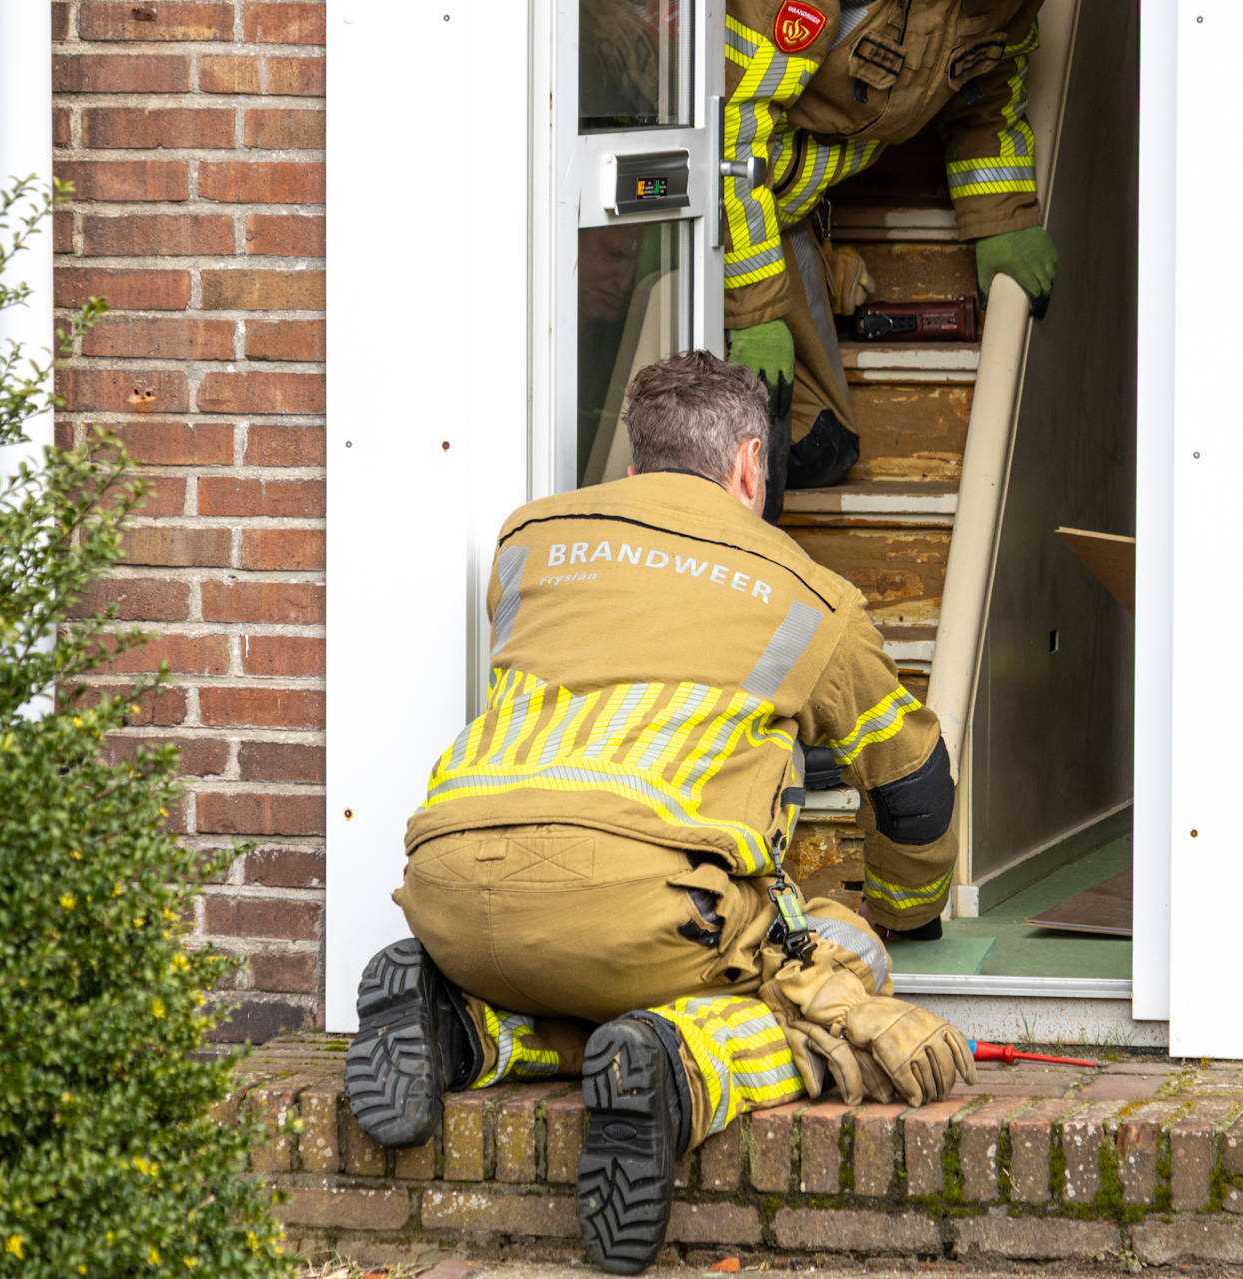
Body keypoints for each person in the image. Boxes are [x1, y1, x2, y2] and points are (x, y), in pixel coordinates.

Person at [345, 350, 973, 1275]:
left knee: (580, 970)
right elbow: (913, 780)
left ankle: (462, 1027)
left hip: (449, 888)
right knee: (842, 963)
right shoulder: (810, 596)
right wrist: (905, 912)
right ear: (752, 466)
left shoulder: (528, 541)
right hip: (645, 909)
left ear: (637, 466)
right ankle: (680, 1068)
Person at [719, 0, 1059, 512]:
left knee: (820, 446)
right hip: (696, 215)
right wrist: (754, 308)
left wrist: (1003, 219)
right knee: (736, 464)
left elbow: (987, 92)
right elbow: (729, 129)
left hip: (783, 213)